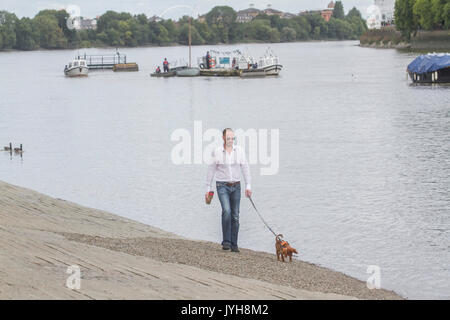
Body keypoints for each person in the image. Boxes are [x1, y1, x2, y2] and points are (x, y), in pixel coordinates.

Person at [205, 128, 252, 253]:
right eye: (228, 138)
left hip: (236, 186)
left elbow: (245, 168)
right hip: (222, 186)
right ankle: (226, 241)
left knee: (235, 215)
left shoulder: (239, 151)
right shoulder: (217, 152)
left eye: (232, 138)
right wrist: (208, 188)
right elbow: (211, 170)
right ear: (223, 138)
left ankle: (234, 243)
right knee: (226, 210)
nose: (230, 140)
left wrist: (248, 186)